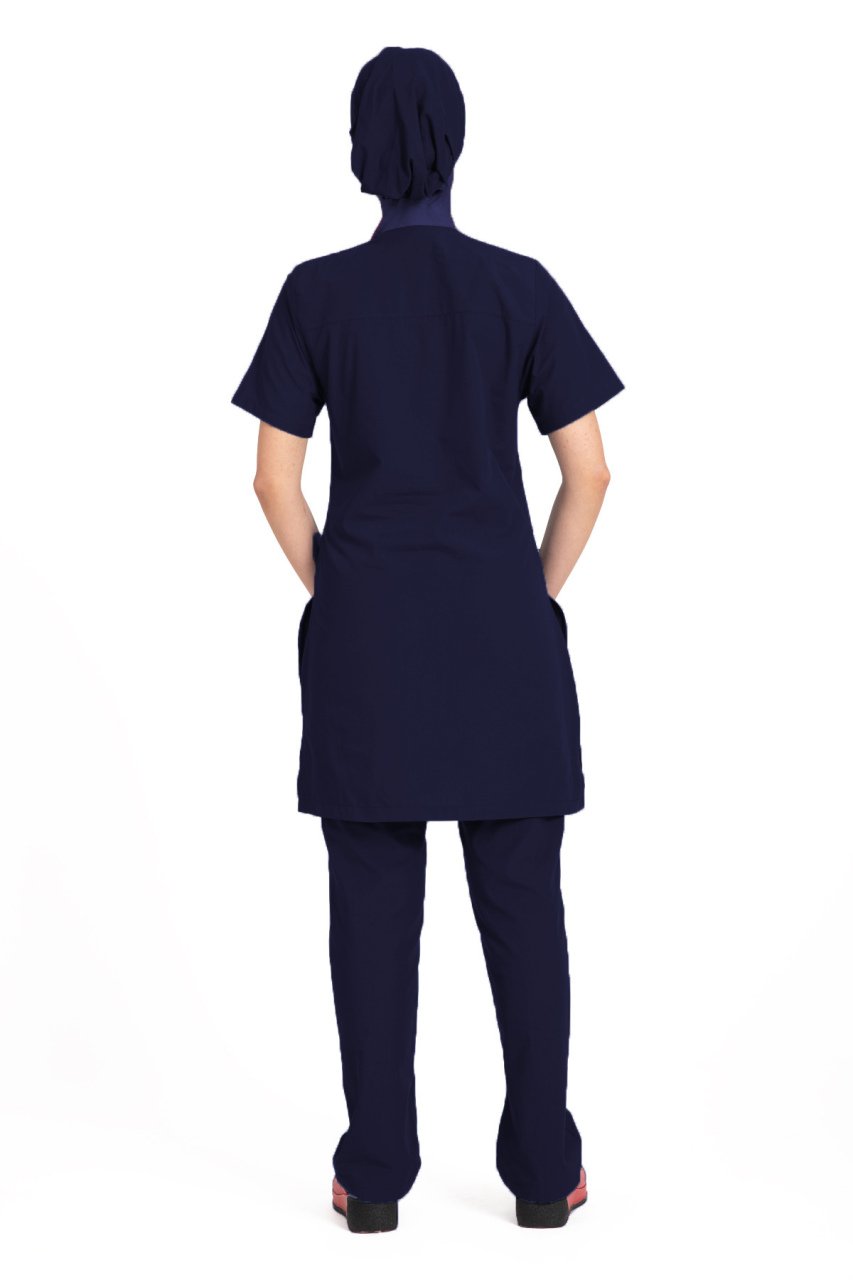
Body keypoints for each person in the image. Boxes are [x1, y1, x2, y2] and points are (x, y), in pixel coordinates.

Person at [231, 45, 624, 1234]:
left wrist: (339, 584)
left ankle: (375, 1174)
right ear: (457, 142)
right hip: (503, 643)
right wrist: (528, 591)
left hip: (369, 648)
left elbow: (272, 480)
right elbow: (591, 471)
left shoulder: (316, 295)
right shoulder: (519, 286)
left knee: (371, 914)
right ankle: (544, 1171)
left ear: (360, 150)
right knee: (524, 910)